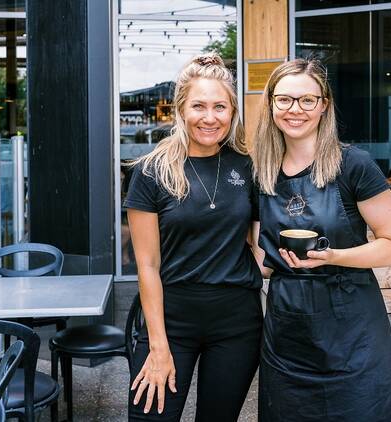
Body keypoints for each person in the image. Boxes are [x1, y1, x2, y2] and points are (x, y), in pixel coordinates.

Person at [251, 58, 391, 421]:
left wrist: (333, 255)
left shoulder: (354, 165)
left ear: (324, 105)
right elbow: (262, 258)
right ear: (272, 104)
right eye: (285, 100)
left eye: (307, 100)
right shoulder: (260, 171)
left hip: (351, 326)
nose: (296, 110)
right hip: (288, 330)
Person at [124, 53, 262, 422]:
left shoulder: (246, 167)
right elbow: (147, 266)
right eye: (199, 106)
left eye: (220, 106)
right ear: (181, 109)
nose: (209, 117)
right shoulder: (152, 172)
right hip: (171, 321)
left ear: (232, 111)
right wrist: (157, 345)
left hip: (237, 323)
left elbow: (258, 247)